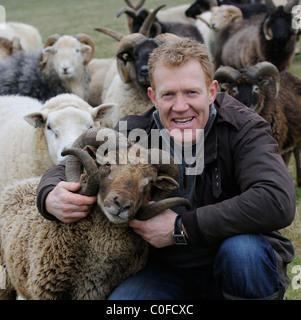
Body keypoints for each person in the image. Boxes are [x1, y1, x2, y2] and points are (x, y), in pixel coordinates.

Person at [36, 38, 295, 300]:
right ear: (153, 96)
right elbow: (77, 160)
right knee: (125, 303)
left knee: (244, 253)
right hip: (166, 268)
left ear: (212, 91)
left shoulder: (243, 127)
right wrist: (49, 195)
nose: (180, 107)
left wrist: (182, 227)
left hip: (233, 257)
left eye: (191, 92)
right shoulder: (134, 132)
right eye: (168, 94)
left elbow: (276, 200)